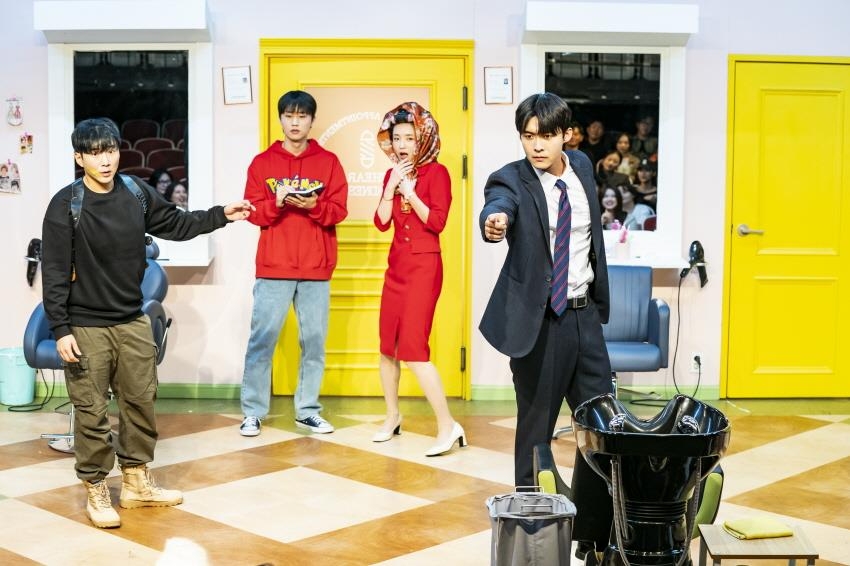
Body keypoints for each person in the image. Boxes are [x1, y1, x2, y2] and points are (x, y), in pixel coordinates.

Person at [40, 117, 254, 529]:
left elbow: (177, 223)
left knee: (140, 402)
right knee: (91, 411)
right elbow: (53, 271)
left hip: (132, 319)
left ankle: (136, 483)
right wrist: (61, 329)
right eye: (95, 153)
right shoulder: (65, 205)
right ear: (79, 158)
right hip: (86, 326)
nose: (105, 160)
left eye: (111, 150)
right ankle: (96, 487)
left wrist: (221, 215)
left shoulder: (136, 192)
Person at [479, 93, 614, 563]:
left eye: (546, 136)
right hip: (541, 323)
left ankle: (593, 537)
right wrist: (495, 221)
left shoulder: (583, 169)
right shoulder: (510, 178)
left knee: (600, 429)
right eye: (528, 136)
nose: (536, 145)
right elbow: (498, 205)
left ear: (566, 136)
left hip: (585, 317)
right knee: (536, 431)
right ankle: (533, 536)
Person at [239, 90, 348, 438]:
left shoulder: (328, 162)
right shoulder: (262, 163)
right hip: (274, 266)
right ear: (281, 119)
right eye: (289, 115)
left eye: (302, 116)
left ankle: (307, 411)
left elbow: (339, 211)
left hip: (316, 268)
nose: (295, 122)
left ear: (312, 121)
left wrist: (313, 206)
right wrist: (278, 202)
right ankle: (252, 412)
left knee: (314, 342)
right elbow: (254, 213)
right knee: (262, 340)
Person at [372, 102, 466, 457]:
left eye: (409, 138)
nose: (402, 145)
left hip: (424, 269)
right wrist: (390, 188)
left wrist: (409, 191)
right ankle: (392, 416)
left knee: (413, 349)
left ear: (423, 139)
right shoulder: (391, 174)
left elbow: (437, 222)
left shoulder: (437, 174)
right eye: (397, 138)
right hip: (396, 268)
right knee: (387, 347)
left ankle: (448, 426)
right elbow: (382, 222)